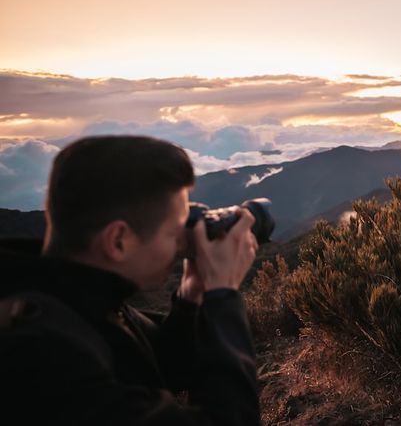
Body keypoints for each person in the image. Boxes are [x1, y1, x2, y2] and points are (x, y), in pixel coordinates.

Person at [0, 135, 260, 426]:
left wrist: (191, 297)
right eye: (174, 233)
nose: (181, 246)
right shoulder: (42, 357)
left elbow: (158, 364)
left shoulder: (67, 295)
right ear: (118, 240)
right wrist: (223, 294)